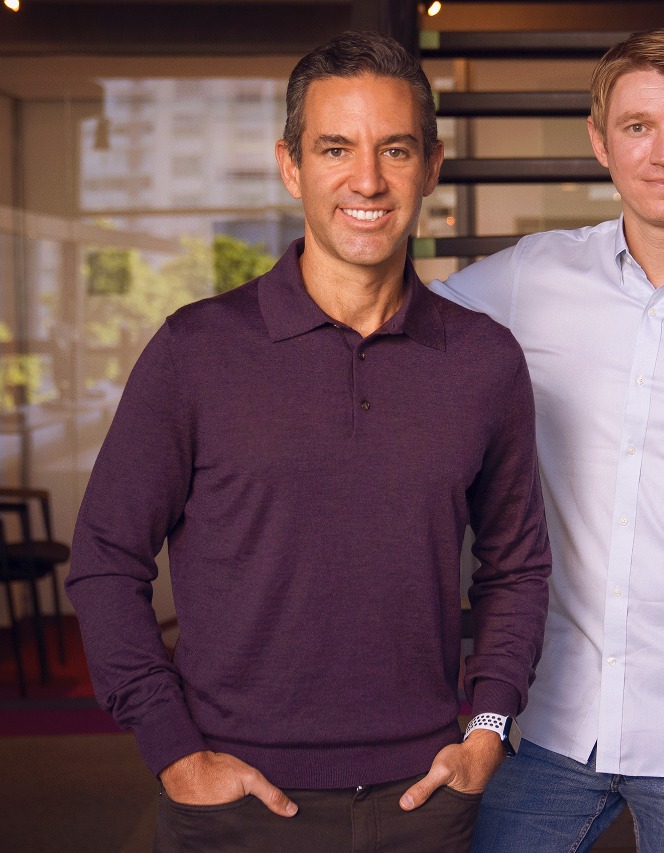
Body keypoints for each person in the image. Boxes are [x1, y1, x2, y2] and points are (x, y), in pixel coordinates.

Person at [66, 31, 551, 853]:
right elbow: (105, 558)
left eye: (395, 149)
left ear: (431, 166)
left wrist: (490, 727)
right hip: (234, 804)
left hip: (424, 803)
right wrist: (174, 750)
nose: (367, 179)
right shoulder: (196, 350)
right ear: (291, 166)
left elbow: (517, 566)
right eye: (335, 148)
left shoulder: (484, 360)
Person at [430, 28, 664, 852]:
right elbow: (390, 328)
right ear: (600, 141)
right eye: (638, 126)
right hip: (546, 721)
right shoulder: (527, 278)